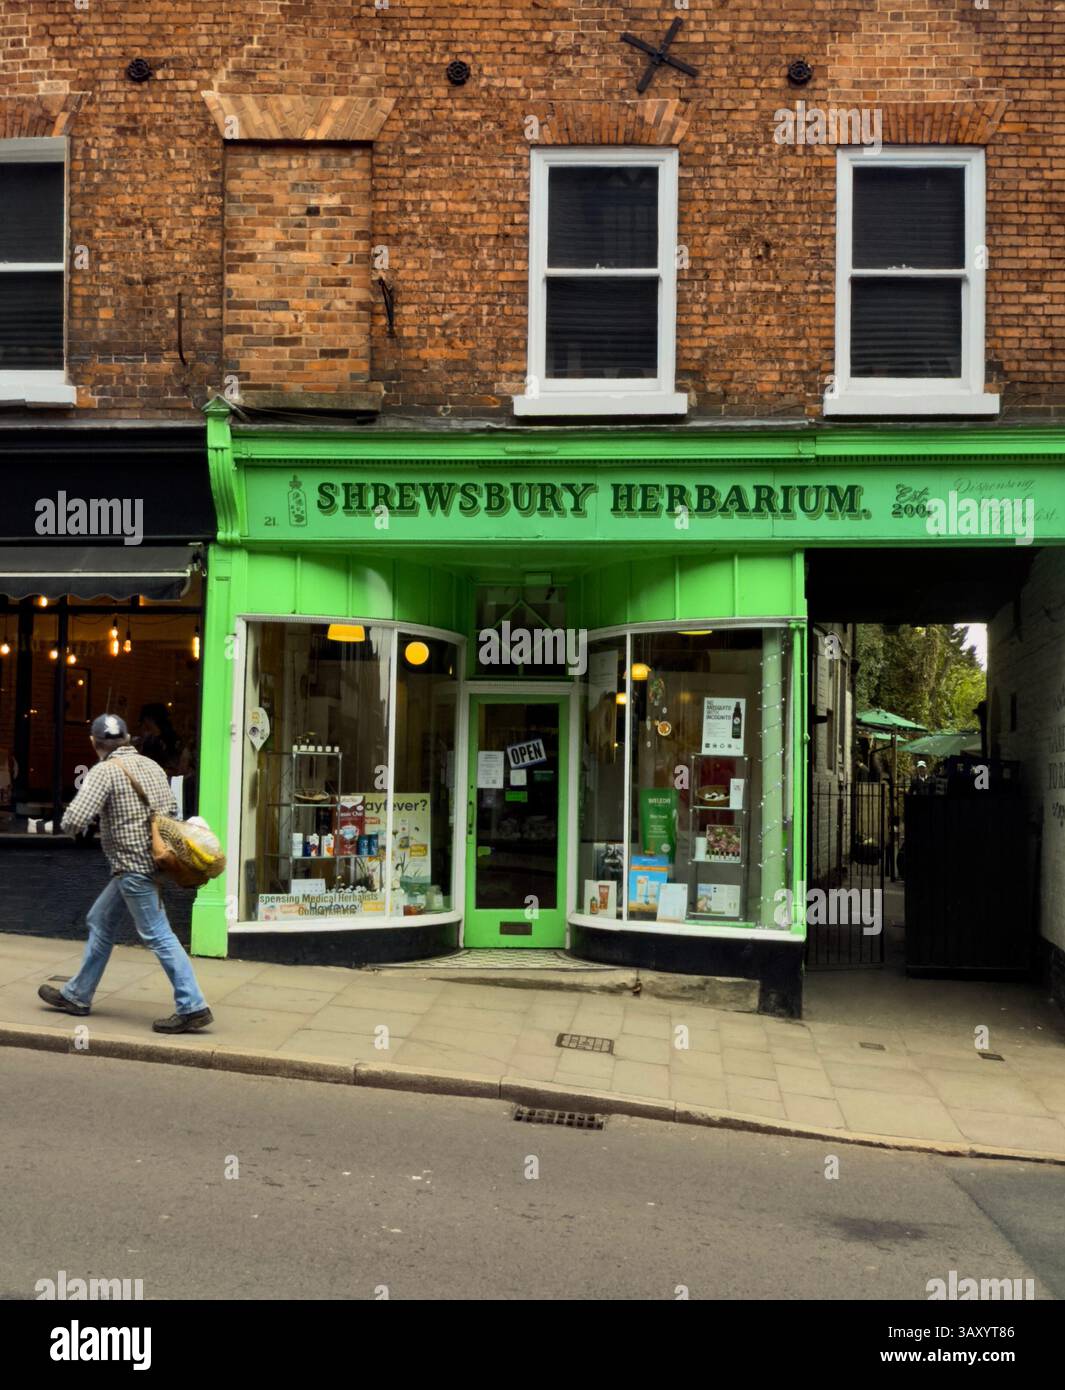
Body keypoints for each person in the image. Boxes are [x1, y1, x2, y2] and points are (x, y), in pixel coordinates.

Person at [37, 713, 213, 1034]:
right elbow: (171, 813)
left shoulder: (104, 772)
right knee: (100, 920)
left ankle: (192, 1005)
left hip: (133, 869)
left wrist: (68, 826)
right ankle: (77, 995)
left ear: (94, 743)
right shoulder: (152, 766)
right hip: (156, 862)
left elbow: (75, 818)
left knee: (159, 936)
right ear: (128, 738)